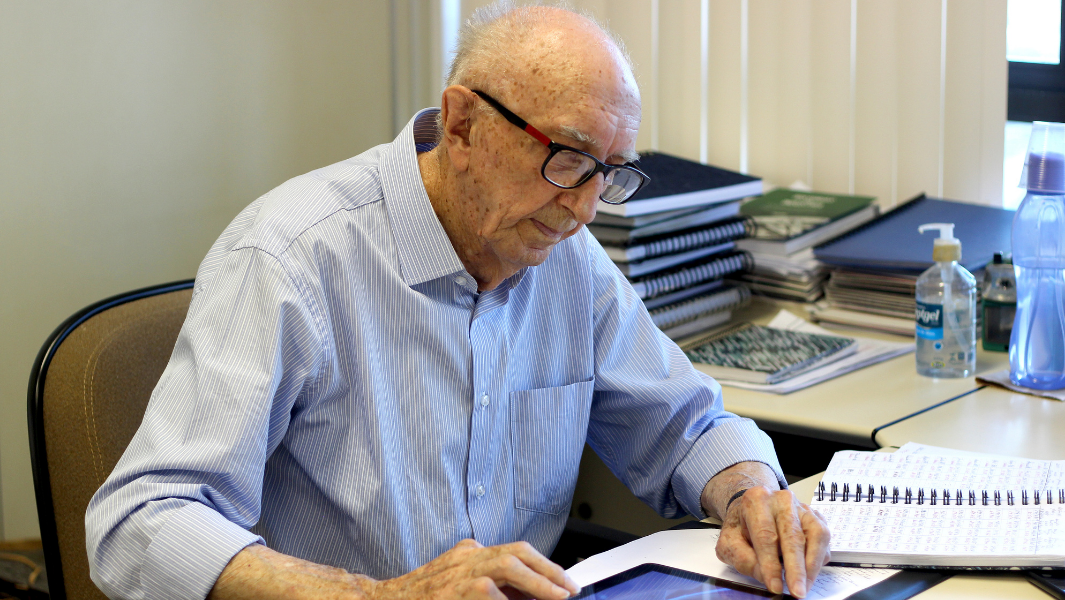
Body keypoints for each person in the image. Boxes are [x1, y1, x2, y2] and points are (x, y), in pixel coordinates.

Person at [85, 4, 830, 599]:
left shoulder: (561, 252)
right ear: (464, 123)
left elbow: (683, 424)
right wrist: (382, 598)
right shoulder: (292, 258)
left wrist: (750, 497)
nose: (584, 209)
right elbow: (141, 522)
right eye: (565, 159)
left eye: (609, 172)